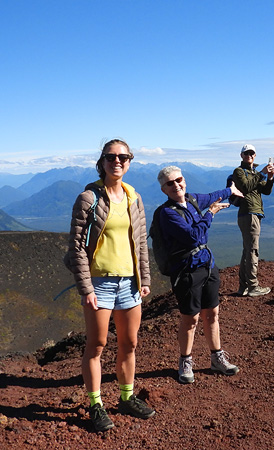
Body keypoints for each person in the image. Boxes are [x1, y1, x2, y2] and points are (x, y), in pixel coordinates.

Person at [64, 139, 155, 432]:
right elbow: (76, 247)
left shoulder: (134, 197)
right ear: (102, 161)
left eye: (123, 157)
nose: (117, 161)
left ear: (129, 161)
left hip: (129, 283)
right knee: (97, 345)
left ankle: (126, 398)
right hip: (99, 283)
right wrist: (86, 288)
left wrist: (144, 279)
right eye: (111, 157)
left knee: (129, 343)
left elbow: (140, 243)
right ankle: (96, 404)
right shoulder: (88, 198)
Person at [155, 166, 243, 385]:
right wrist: (210, 213)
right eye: (170, 183)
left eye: (179, 180)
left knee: (212, 313)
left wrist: (230, 191)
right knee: (190, 318)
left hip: (208, 266)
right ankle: (185, 361)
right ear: (163, 189)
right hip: (186, 271)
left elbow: (212, 196)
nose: (176, 185)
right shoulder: (168, 213)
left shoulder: (192, 199)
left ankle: (217, 358)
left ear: (184, 180)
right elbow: (194, 236)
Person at [232, 144, 274, 297]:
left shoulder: (254, 172)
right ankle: (253, 287)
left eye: (252, 153)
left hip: (254, 213)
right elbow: (245, 186)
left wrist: (270, 177)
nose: (249, 155)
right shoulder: (239, 171)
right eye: (246, 153)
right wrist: (262, 173)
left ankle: (243, 287)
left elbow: (266, 191)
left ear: (255, 155)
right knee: (252, 250)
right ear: (241, 156)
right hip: (248, 213)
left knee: (247, 251)